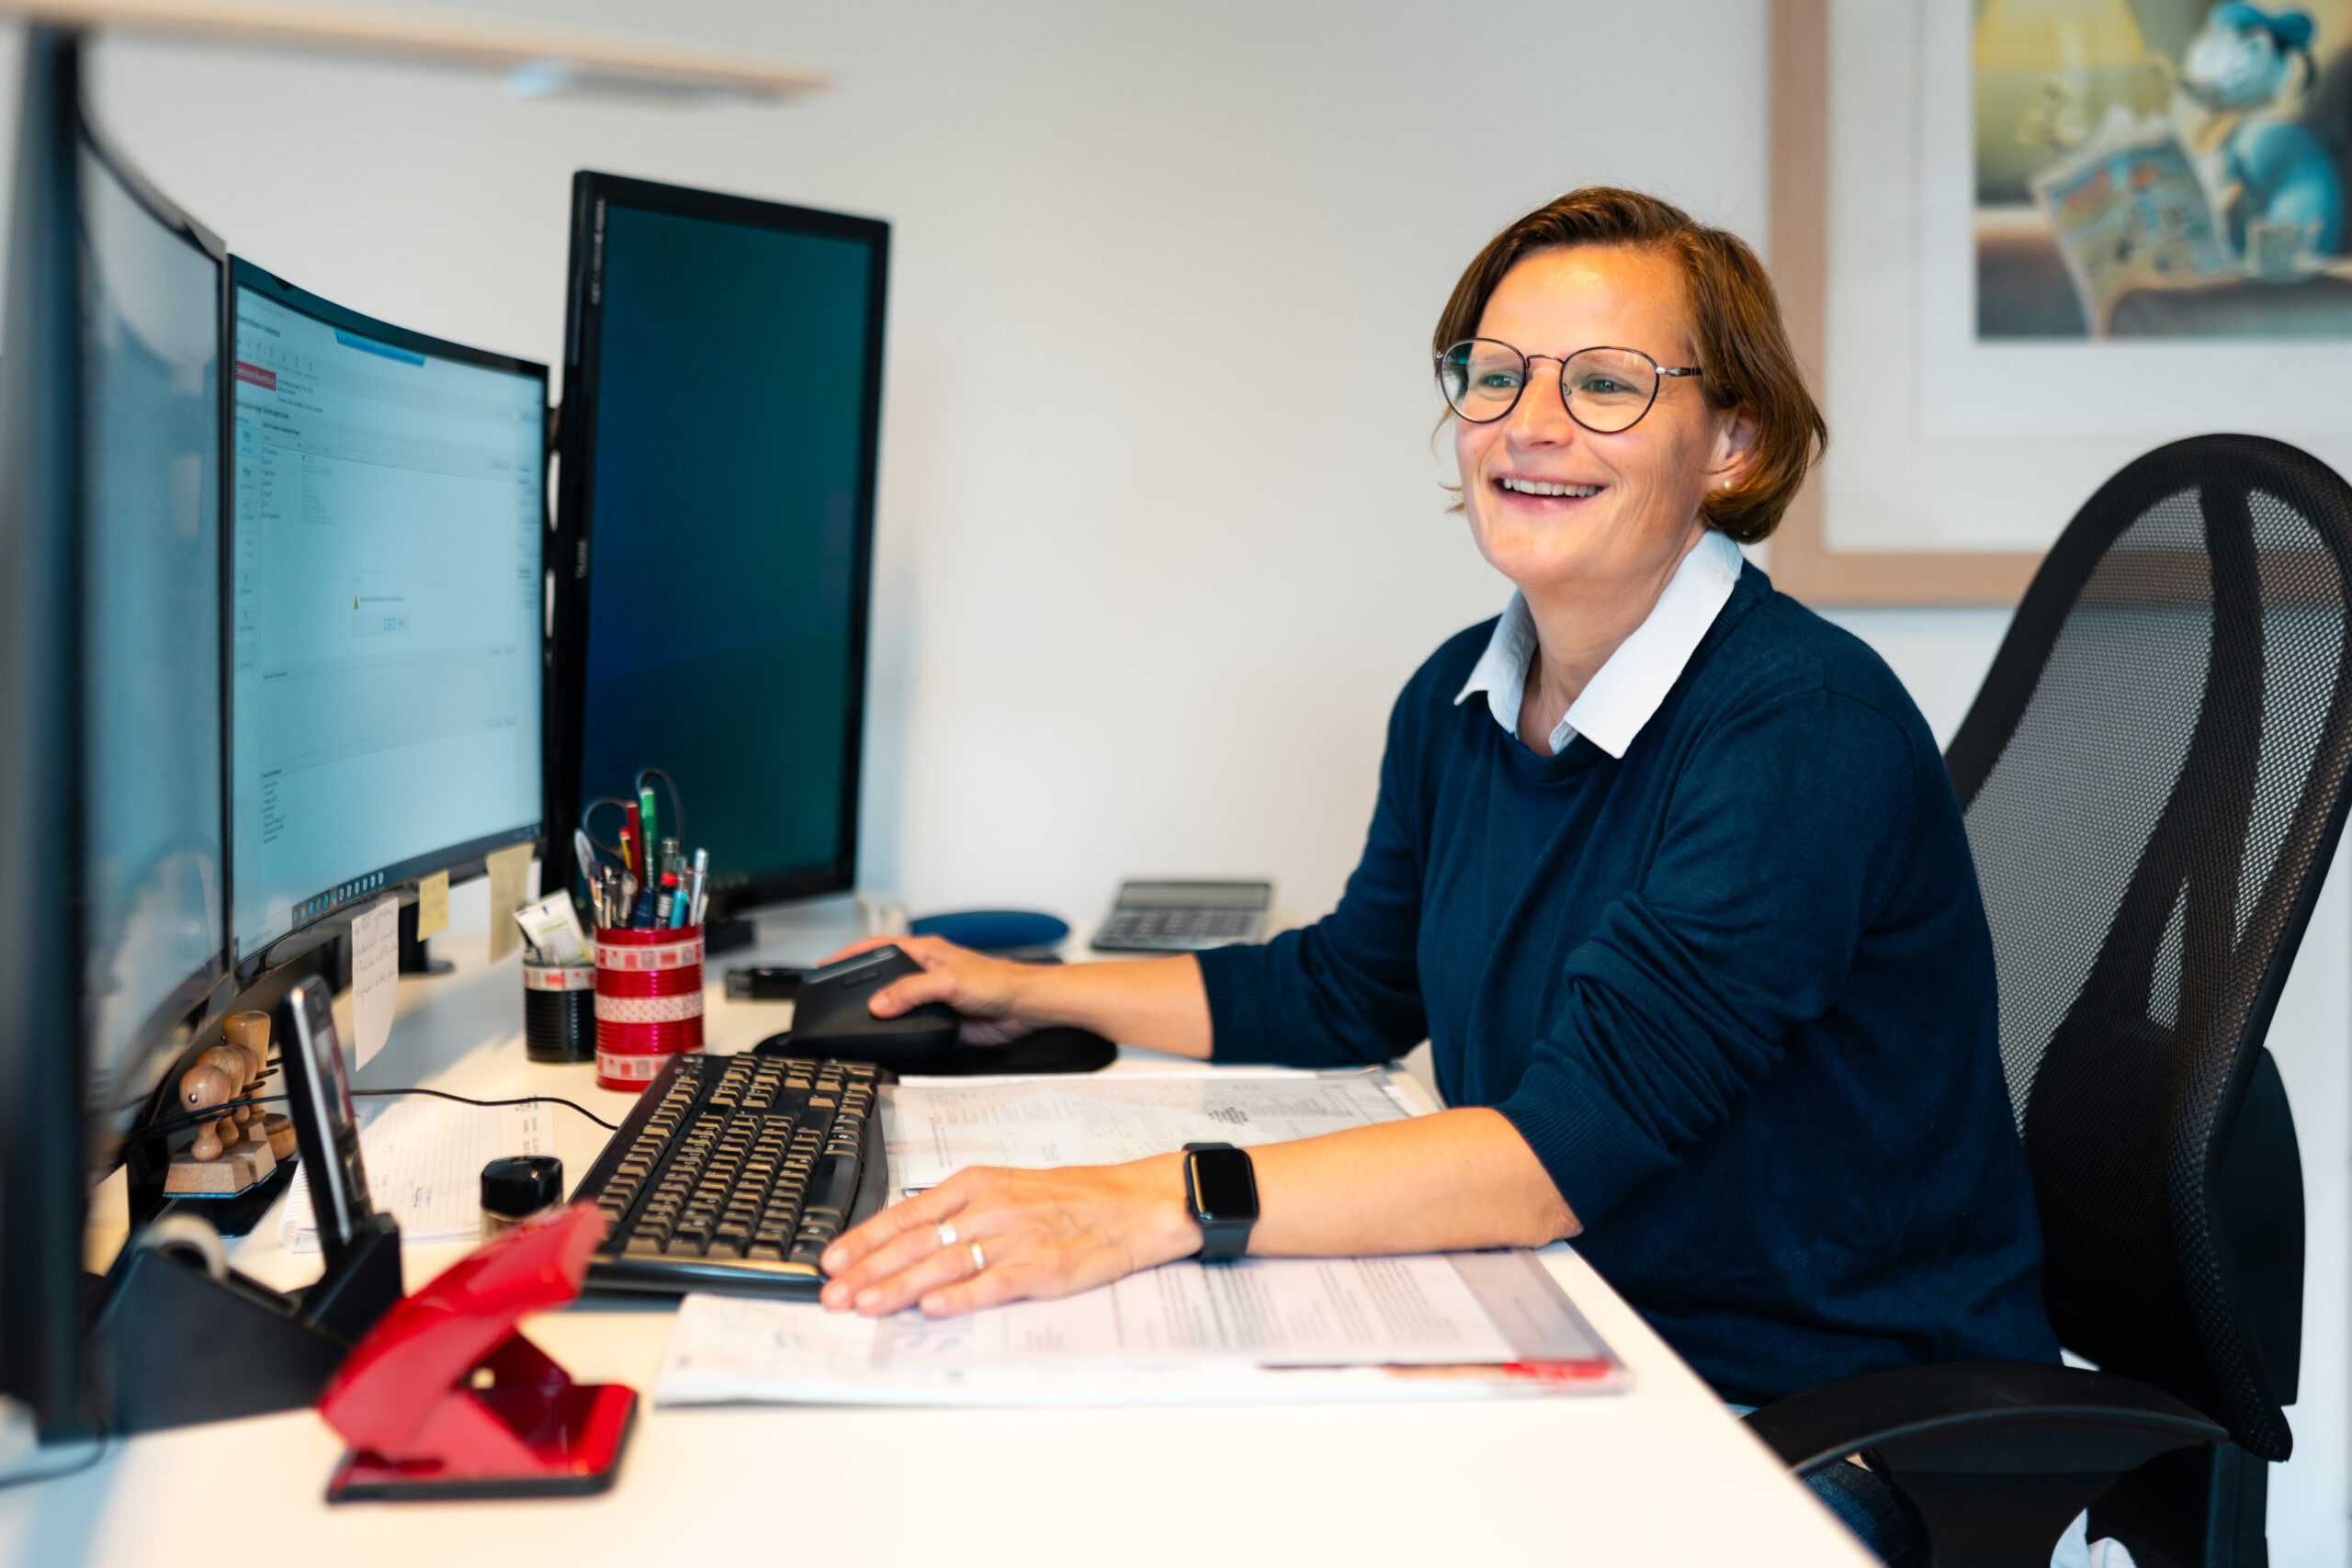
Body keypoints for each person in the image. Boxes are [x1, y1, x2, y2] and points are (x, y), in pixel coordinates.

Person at [818, 187, 2060, 1434]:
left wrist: (1140, 1203)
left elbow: (1553, 1156)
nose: (1531, 426)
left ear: (1732, 441)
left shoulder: (1801, 730)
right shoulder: (1457, 698)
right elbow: (1345, 991)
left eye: (1606, 384)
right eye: (1497, 376)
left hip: (1823, 1418)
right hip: (1576, 1323)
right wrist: (1027, 991)